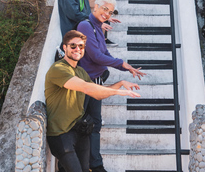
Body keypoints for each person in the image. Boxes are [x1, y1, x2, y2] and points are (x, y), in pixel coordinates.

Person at [45, 30, 140, 172]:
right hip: (61, 133)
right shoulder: (59, 69)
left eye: (81, 46)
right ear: (64, 47)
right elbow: (85, 87)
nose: (77, 49)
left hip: (79, 130)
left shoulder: (81, 72)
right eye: (73, 46)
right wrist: (118, 91)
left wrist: (119, 83)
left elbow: (97, 94)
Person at [77, 0, 146, 172]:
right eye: (104, 9)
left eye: (110, 11)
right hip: (86, 82)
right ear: (96, 7)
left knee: (96, 123)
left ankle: (96, 164)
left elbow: (105, 53)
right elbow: (96, 56)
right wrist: (122, 64)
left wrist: (126, 68)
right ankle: (83, 165)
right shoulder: (86, 26)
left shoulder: (98, 27)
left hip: (97, 81)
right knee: (84, 123)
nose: (107, 13)